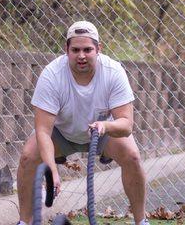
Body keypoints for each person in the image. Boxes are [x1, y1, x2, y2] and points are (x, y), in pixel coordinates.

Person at [16, 21, 148, 225]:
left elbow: (126, 125)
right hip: (61, 133)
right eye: (75, 50)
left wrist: (105, 126)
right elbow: (43, 130)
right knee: (27, 158)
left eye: (88, 49)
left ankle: (141, 221)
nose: (81, 56)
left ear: (98, 49)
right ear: (66, 50)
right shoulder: (52, 75)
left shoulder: (113, 72)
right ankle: (24, 222)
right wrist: (51, 168)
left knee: (132, 156)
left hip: (103, 131)